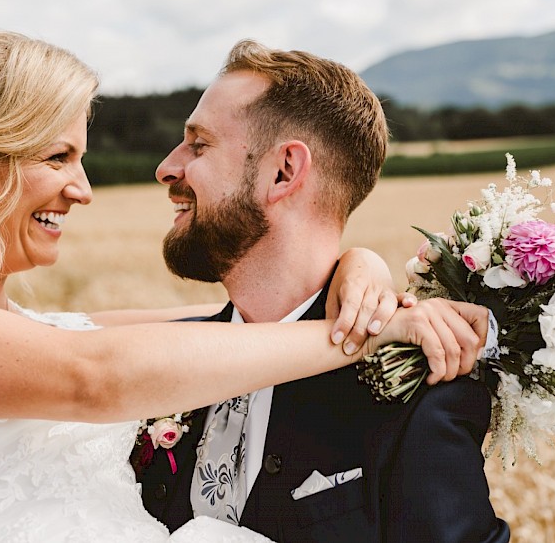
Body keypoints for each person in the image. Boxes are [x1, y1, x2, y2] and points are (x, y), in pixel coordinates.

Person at [0, 28, 491, 542]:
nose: (84, 190)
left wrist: (357, 269)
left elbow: (229, 324)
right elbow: (96, 378)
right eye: (59, 155)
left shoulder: (68, 335)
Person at [131, 40, 513, 541]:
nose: (166, 167)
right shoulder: (162, 358)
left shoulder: (415, 398)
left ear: (284, 171)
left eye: (199, 144)